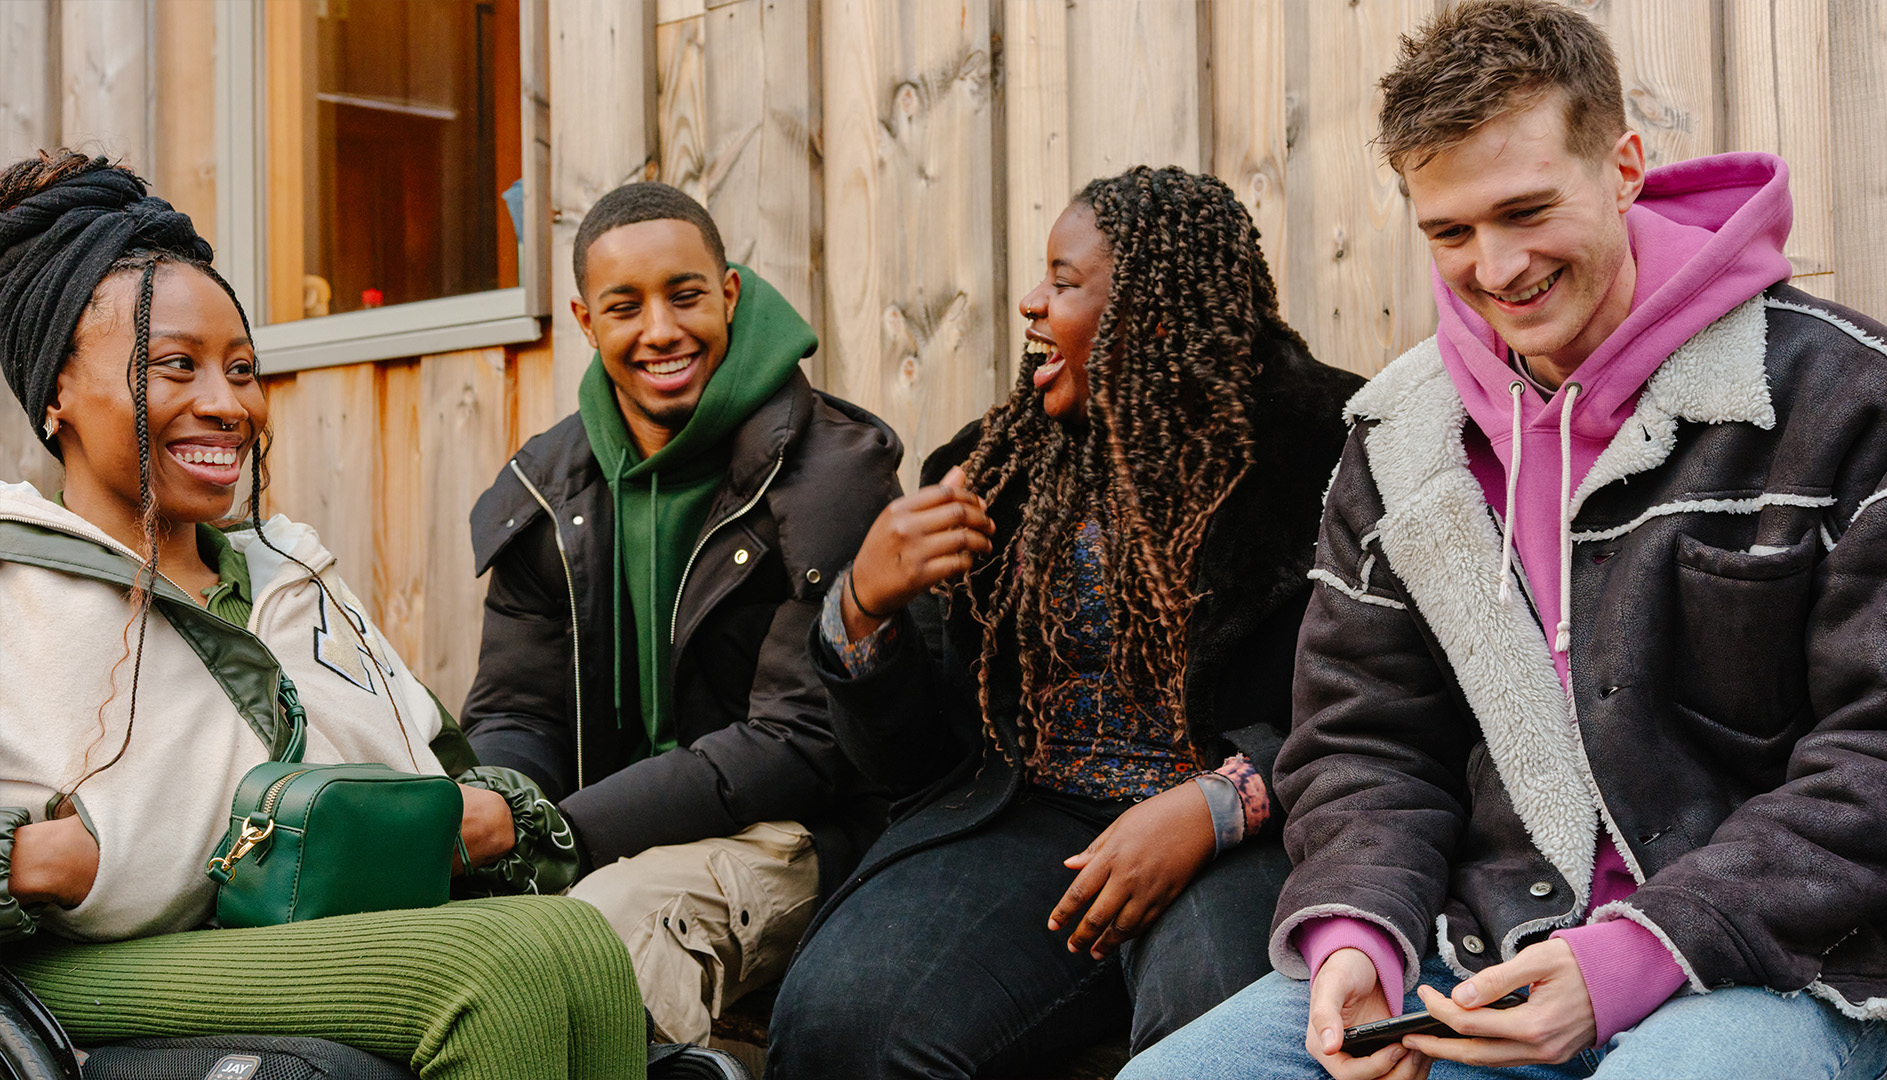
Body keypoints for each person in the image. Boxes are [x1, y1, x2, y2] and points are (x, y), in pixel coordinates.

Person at [1119, 3, 1887, 1079]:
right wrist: (1357, 933)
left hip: (1774, 962)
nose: (1495, 268)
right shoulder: (1405, 436)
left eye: (1526, 209)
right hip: (1477, 953)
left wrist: (1630, 957)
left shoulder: (1846, 396)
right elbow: (1363, 740)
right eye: (1449, 231)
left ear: (1624, 166)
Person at [0, 151, 646, 1078]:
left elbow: (430, 766)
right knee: (494, 971)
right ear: (57, 393)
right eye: (174, 367)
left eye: (243, 370)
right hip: (96, 967)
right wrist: (34, 863)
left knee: (575, 941)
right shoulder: (15, 582)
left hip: (306, 938)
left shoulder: (290, 575)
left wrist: (480, 816)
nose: (228, 406)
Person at [763, 166, 1366, 1078]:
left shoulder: (1330, 452)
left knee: (1219, 1033)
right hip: (1035, 819)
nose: (1029, 304)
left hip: (1255, 828)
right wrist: (863, 609)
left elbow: (1387, 703)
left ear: (1156, 314)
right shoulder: (990, 472)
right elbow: (914, 767)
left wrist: (1217, 805)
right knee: (844, 1020)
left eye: (1065, 281)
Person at [461, 181, 900, 1045]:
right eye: (626, 307)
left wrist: (550, 830)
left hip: (796, 834)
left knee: (599, 934)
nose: (660, 330)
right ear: (588, 323)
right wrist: (494, 797)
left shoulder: (831, 473)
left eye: (686, 295)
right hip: (593, 828)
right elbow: (518, 708)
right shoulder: (549, 490)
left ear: (729, 293)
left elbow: (800, 745)